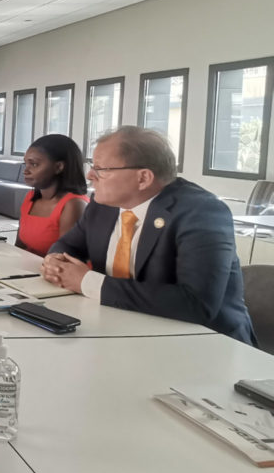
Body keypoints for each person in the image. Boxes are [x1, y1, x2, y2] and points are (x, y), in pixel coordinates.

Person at [42, 125, 256, 344]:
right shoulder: (103, 205)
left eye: (101, 169)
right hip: (119, 330)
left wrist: (88, 282)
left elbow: (195, 304)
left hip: (204, 344)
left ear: (143, 178)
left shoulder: (201, 212)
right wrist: (56, 261)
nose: (90, 175)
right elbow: (68, 245)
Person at [16, 134, 89, 256]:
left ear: (58, 167)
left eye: (34, 164)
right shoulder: (30, 197)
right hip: (26, 269)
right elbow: (19, 247)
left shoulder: (74, 205)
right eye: (25, 164)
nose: (26, 170)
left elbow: (64, 260)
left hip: (53, 272)